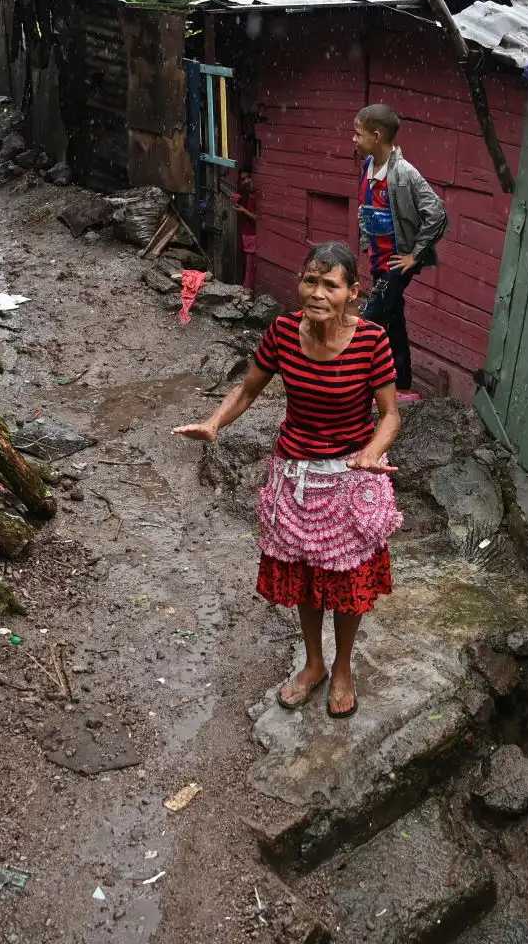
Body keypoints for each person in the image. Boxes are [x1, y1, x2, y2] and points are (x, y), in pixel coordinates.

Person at [173, 241, 403, 718]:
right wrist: (215, 422)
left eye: (330, 284)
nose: (316, 292)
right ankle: (314, 664)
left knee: (347, 581)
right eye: (310, 281)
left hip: (350, 478)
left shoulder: (372, 341)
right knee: (302, 579)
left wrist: (370, 454)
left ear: (353, 293)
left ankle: (342, 668)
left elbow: (390, 416)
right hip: (294, 476)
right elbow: (249, 387)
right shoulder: (280, 331)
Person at [353, 104, 447, 402]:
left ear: (377, 136)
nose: (353, 140)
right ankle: (404, 388)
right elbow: (366, 208)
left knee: (368, 322)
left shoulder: (405, 174)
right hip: (378, 261)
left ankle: (354, 388)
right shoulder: (367, 165)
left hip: (397, 263)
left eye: (358, 134)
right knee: (394, 322)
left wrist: (414, 256)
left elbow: (438, 214)